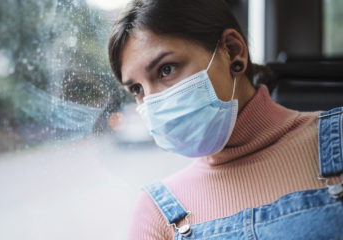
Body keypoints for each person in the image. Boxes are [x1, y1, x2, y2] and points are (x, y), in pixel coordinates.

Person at [108, 0, 343, 239]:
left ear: (232, 51)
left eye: (166, 69)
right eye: (137, 89)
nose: (152, 102)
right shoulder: (155, 213)